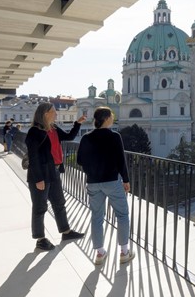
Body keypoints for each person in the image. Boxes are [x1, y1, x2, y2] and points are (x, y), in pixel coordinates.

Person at [77, 107, 134, 265]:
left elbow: (80, 160)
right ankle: (124, 251)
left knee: (97, 217)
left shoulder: (87, 137)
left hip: (93, 182)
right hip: (111, 181)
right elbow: (121, 160)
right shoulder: (114, 136)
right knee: (122, 215)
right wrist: (126, 180)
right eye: (112, 115)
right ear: (107, 118)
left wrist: (92, 169)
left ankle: (100, 253)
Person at [25, 103, 86, 251]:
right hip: (41, 174)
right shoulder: (35, 132)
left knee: (59, 203)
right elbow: (33, 157)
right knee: (40, 207)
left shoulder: (53, 128)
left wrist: (77, 124)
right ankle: (40, 239)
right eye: (53, 112)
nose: (56, 114)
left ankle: (65, 232)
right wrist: (38, 179)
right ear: (46, 113)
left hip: (55, 171)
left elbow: (69, 136)